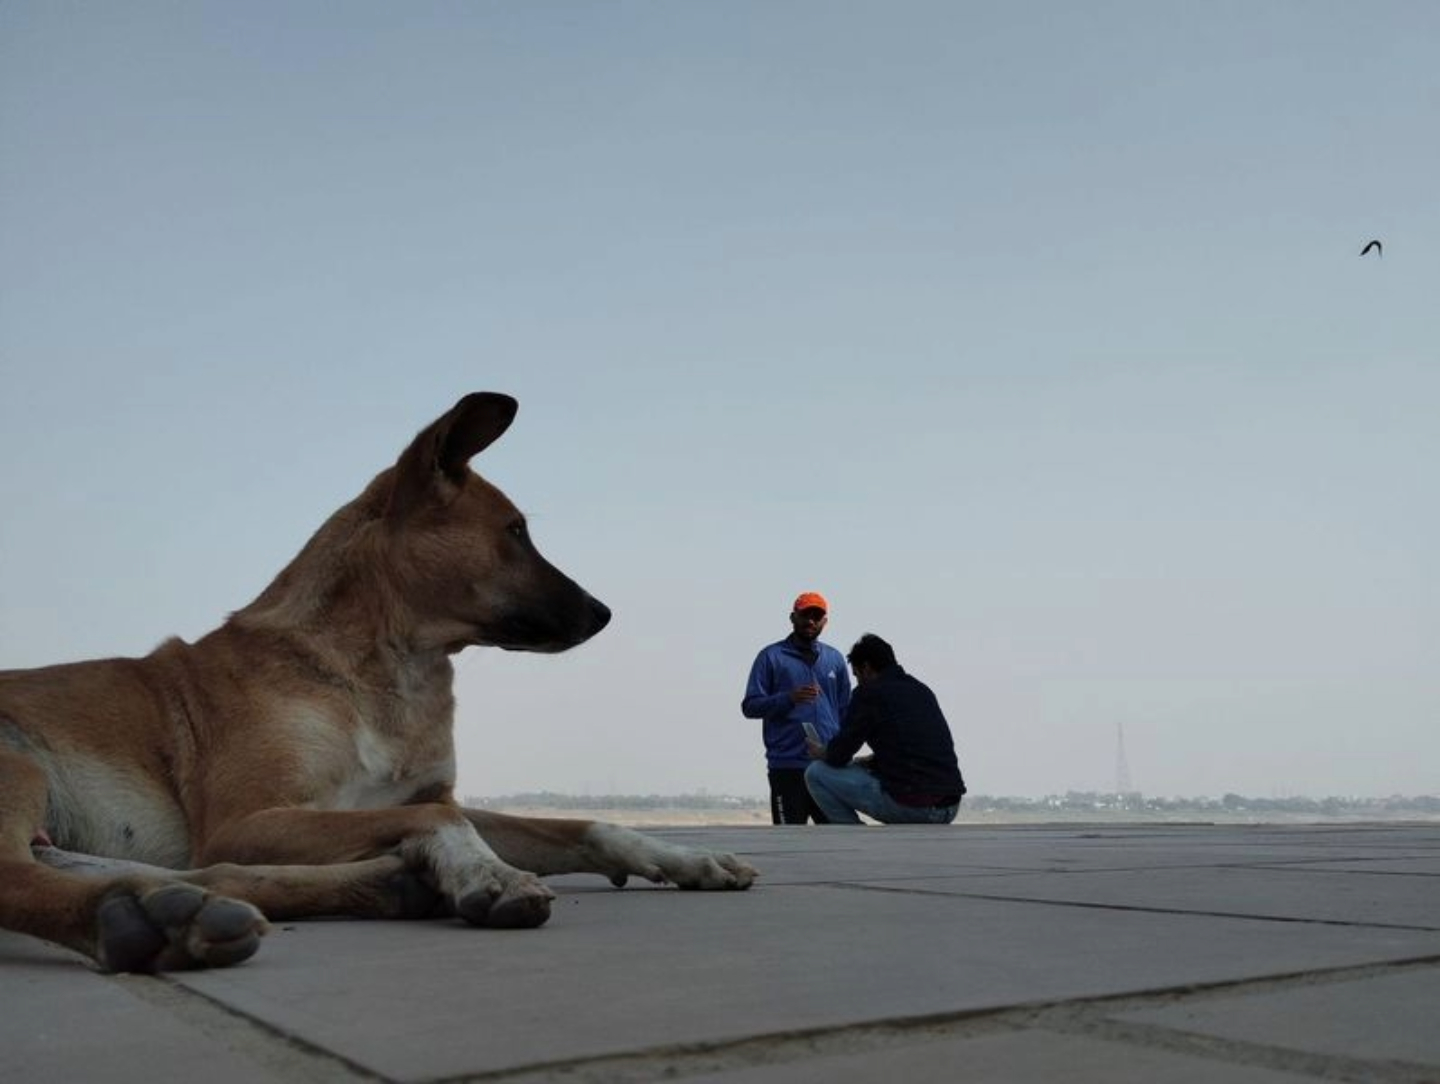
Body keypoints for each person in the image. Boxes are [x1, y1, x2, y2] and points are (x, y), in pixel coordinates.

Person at [804, 633, 965, 825]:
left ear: (866, 668)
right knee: (860, 767)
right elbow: (916, 747)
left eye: (856, 675)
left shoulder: (868, 693)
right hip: (950, 806)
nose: (858, 681)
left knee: (816, 773)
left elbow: (840, 754)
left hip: (915, 807)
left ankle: (851, 836)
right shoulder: (921, 690)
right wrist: (873, 762)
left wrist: (821, 751)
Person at [742, 592, 852, 824]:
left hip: (826, 768)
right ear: (793, 617)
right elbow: (750, 706)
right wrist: (788, 698)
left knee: (839, 843)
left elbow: (846, 712)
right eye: (805, 615)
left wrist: (842, 752)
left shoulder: (834, 659)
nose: (810, 621)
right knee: (788, 841)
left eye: (816, 616)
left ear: (825, 621)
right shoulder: (771, 657)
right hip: (787, 767)